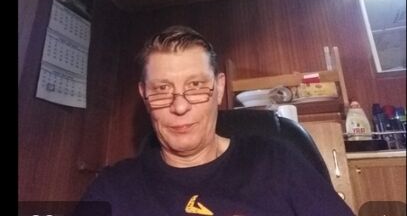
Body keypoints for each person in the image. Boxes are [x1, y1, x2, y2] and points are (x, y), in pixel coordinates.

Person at [75, 25, 355, 216]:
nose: (180, 106)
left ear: (219, 89)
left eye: (196, 86)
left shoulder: (277, 163)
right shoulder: (112, 189)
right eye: (161, 89)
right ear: (144, 95)